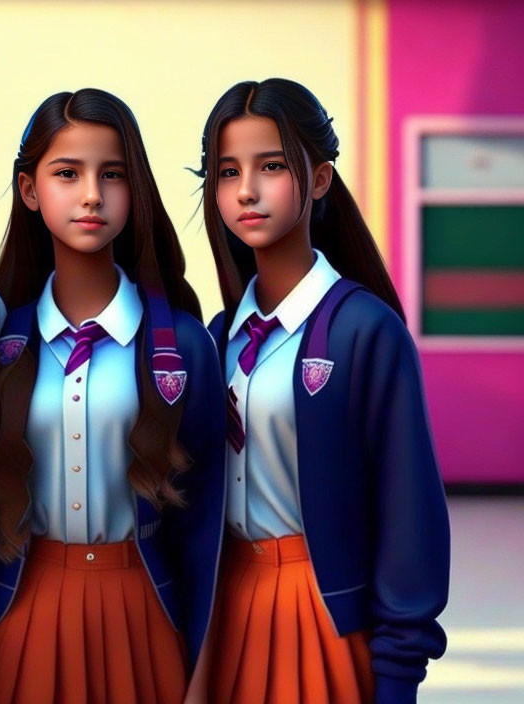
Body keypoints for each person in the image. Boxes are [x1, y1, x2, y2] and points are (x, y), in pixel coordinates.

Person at [0, 88, 226, 704]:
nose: (91, 195)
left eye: (112, 175)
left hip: (145, 609)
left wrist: (203, 675)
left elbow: (207, 528)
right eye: (66, 174)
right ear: (30, 191)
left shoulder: (182, 347)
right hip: (17, 606)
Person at [196, 78, 450, 704]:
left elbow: (409, 513)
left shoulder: (366, 331)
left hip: (324, 614)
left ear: (319, 178)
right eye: (228, 172)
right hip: (223, 614)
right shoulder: (218, 335)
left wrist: (396, 673)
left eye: (272, 166)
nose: (247, 191)